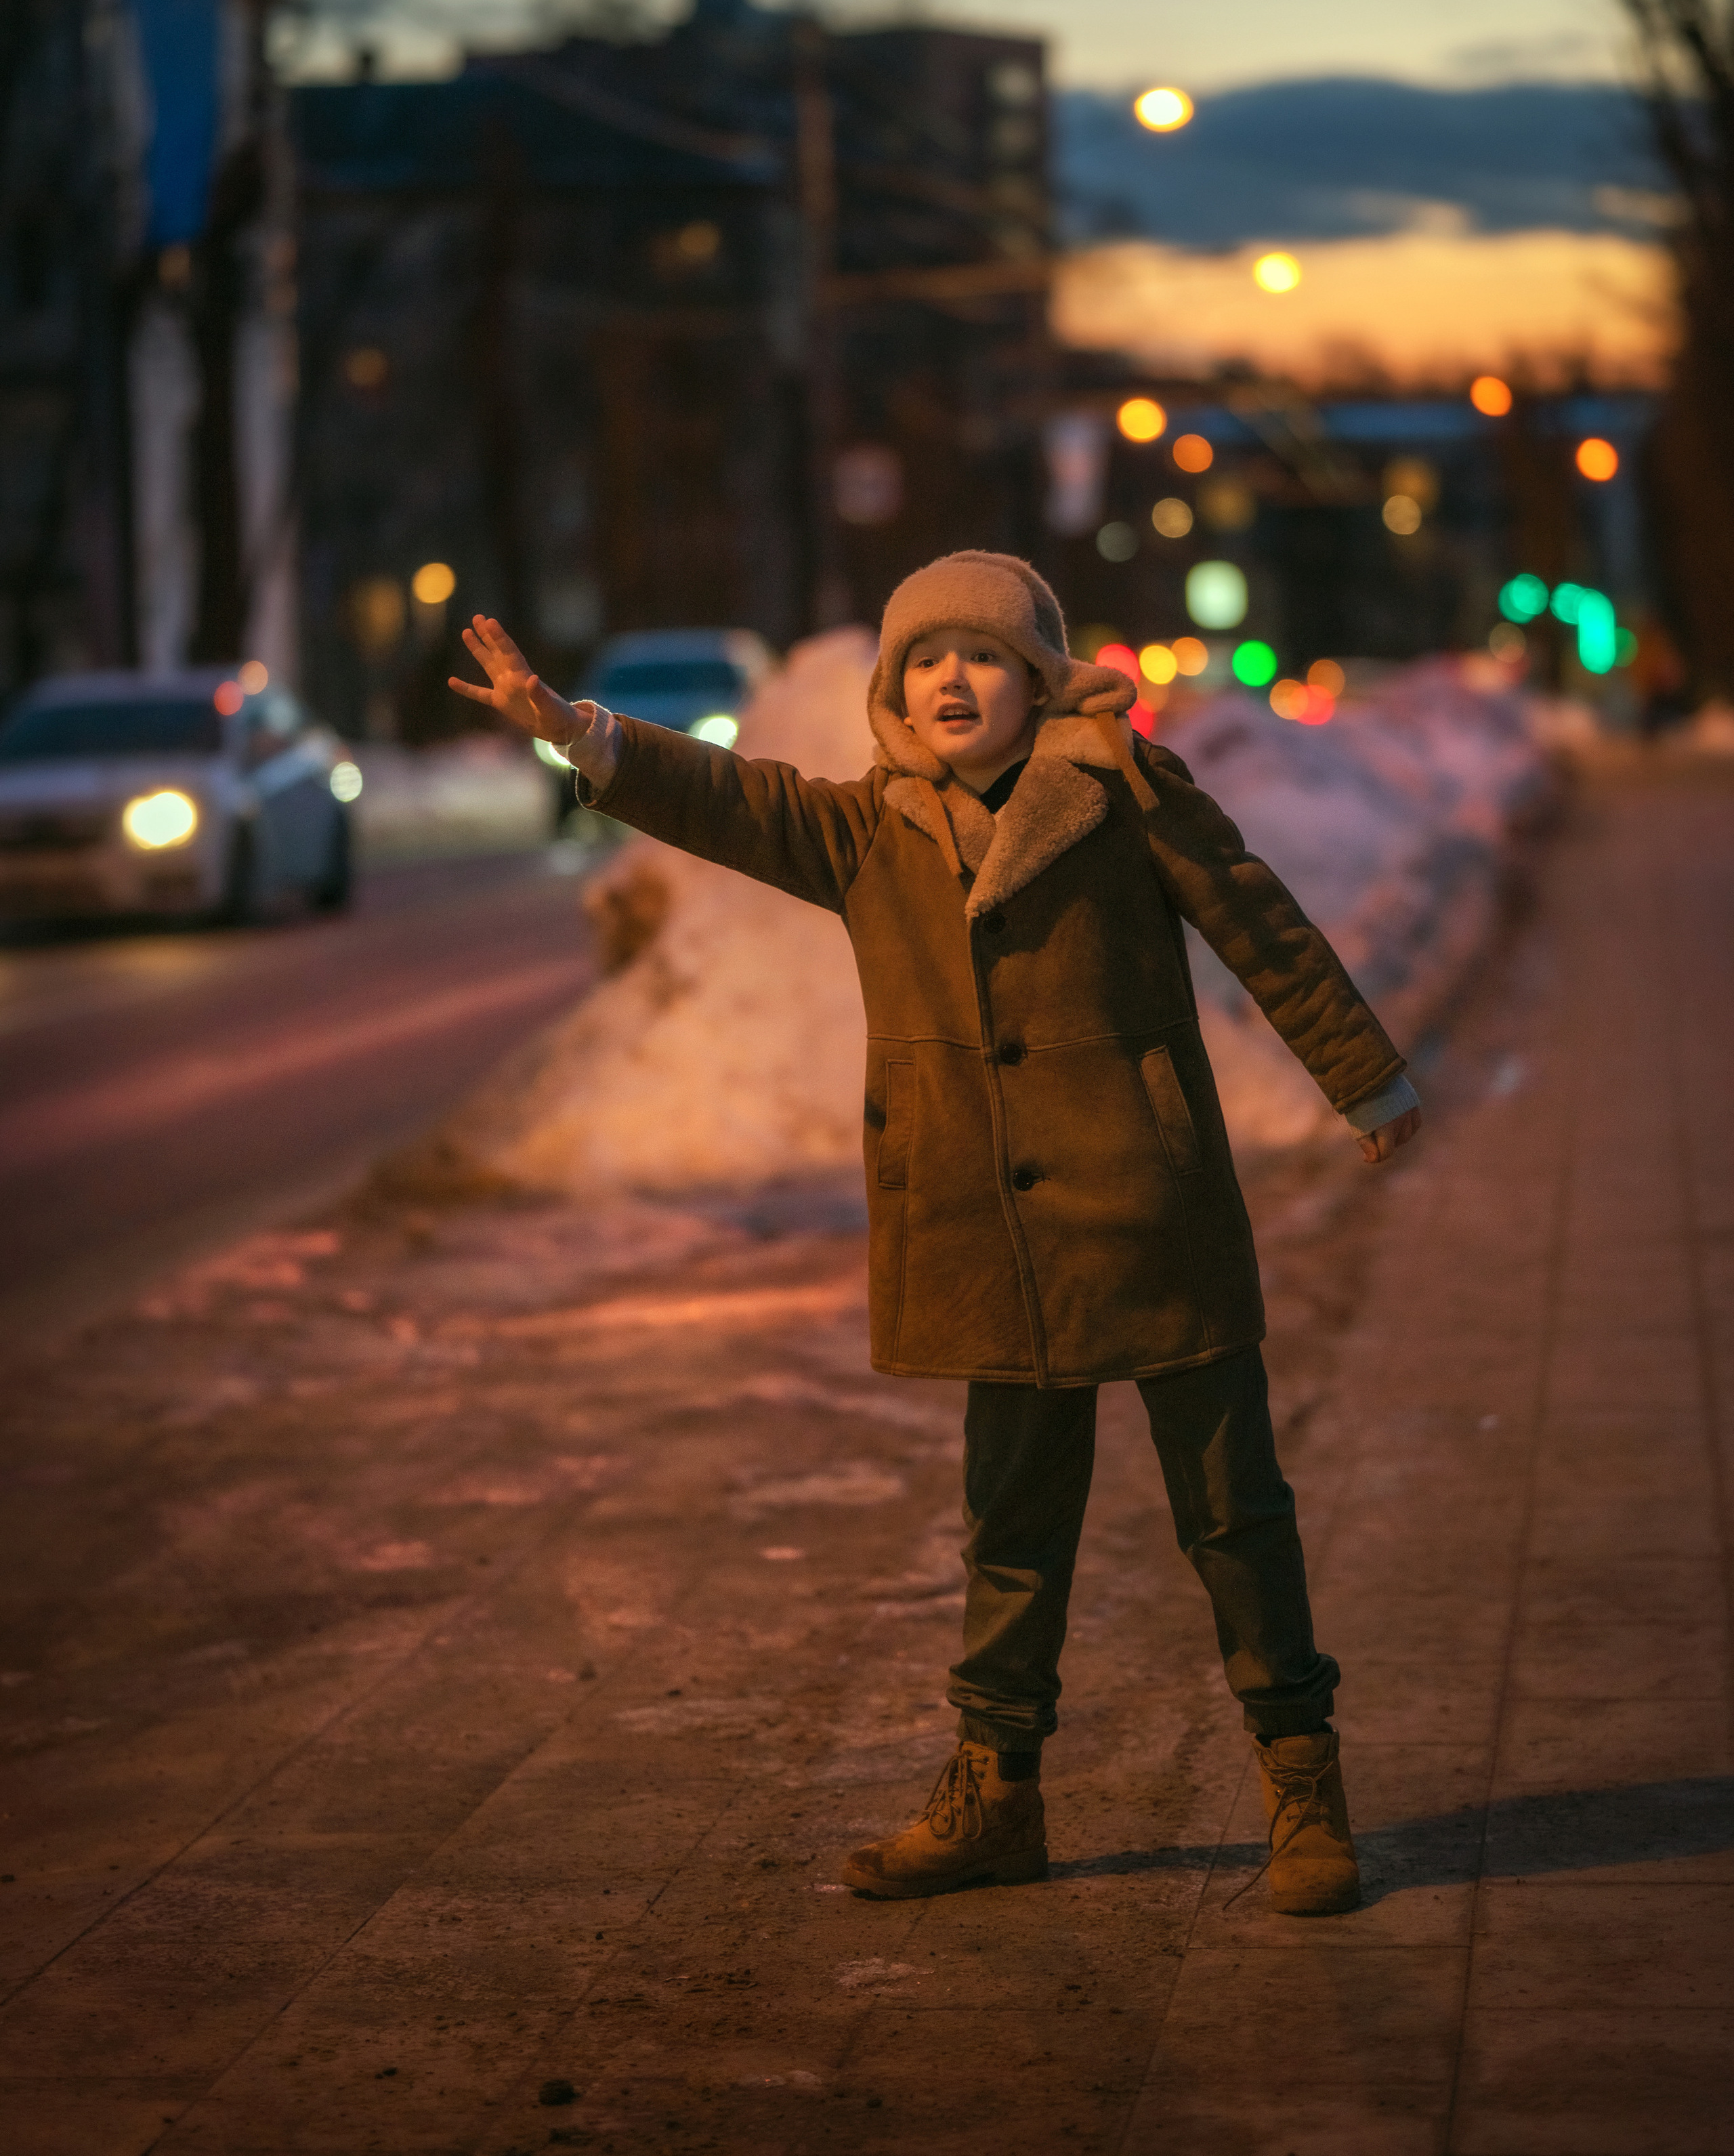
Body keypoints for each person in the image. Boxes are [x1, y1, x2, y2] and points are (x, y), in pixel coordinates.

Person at [452, 552, 1421, 1916]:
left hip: (1148, 1207)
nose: (949, 679)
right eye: (923, 660)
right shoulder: (864, 830)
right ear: (891, 691)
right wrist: (577, 729)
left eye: (979, 656)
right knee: (1009, 1529)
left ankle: (1299, 1779)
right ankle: (994, 1792)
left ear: (1034, 679)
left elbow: (1259, 921)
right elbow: (727, 798)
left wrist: (1359, 1074)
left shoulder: (1123, 792)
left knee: (1233, 1512)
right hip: (983, 1230)